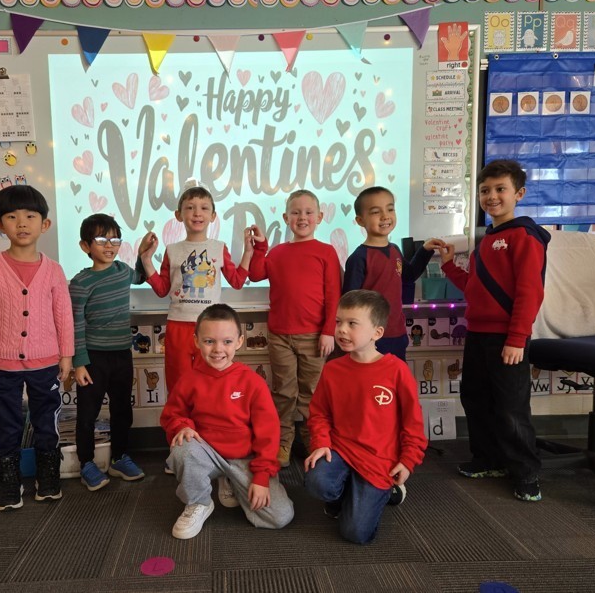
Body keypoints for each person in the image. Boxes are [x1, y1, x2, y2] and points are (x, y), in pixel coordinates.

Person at [438, 159, 550, 502]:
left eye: (500, 189)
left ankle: (526, 473)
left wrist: (517, 339)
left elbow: (530, 291)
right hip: (478, 334)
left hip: (507, 338)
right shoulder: (489, 239)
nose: (492, 196)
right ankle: (488, 459)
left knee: (511, 407)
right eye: (485, 190)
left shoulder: (524, 236)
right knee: (476, 398)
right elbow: (475, 286)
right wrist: (447, 265)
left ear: (519, 193)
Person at [0, 185, 73, 511]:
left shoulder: (53, 270)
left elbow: (63, 315)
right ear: (0, 225)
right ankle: (10, 485)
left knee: (47, 421)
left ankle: (48, 478)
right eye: (12, 217)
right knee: (7, 423)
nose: (22, 223)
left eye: (30, 216)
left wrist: (67, 354)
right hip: (2, 363)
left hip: (46, 361)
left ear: (45, 224)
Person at [160, 304, 295, 540]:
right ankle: (199, 503)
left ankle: (230, 480)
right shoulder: (189, 379)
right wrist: (182, 426)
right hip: (207, 453)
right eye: (209, 341)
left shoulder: (252, 382)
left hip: (245, 458)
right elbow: (172, 414)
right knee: (183, 449)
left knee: (280, 517)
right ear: (196, 341)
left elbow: (269, 434)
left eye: (227, 342)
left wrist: (261, 478)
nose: (218, 349)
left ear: (240, 341)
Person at [304, 290, 427, 544]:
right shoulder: (333, 369)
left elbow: (412, 423)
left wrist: (408, 460)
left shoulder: (396, 371)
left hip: (378, 459)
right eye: (338, 322)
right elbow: (319, 414)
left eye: (352, 324)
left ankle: (388, 491)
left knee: (356, 534)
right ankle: (343, 492)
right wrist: (321, 443)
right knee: (317, 482)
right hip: (341, 449)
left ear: (377, 333)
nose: (341, 330)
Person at [247, 190, 341, 468]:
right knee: (284, 393)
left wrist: (328, 331)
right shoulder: (277, 252)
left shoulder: (326, 252)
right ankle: (283, 443)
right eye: (296, 213)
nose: (302, 218)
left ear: (320, 217)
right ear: (286, 218)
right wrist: (261, 246)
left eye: (308, 212)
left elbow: (334, 295)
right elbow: (255, 274)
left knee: (312, 393)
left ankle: (313, 441)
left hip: (315, 337)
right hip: (280, 336)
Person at [140, 179, 251, 393]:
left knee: (210, 381)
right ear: (179, 215)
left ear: (213, 216)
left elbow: (237, 281)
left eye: (204, 208)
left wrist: (247, 253)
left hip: (210, 326)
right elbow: (162, 289)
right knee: (179, 382)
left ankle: (208, 423)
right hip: (178, 327)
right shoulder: (172, 250)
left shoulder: (219, 248)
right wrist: (146, 261)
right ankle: (180, 425)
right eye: (189, 208)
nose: (197, 213)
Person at [69, 214, 155, 491]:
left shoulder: (122, 270)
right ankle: (86, 463)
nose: (110, 245)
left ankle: (119, 457)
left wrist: (143, 253)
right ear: (85, 246)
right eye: (102, 239)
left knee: (122, 410)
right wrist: (79, 363)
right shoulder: (80, 283)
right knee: (88, 414)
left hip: (121, 355)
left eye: (115, 239)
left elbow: (140, 277)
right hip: (93, 357)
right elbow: (76, 324)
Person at [343, 186, 445, 360]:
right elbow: (348, 303)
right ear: (360, 220)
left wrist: (425, 250)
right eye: (376, 212)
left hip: (397, 333)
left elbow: (409, 276)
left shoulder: (395, 250)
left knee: (394, 382)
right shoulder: (359, 257)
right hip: (369, 337)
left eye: (390, 209)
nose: (385, 216)